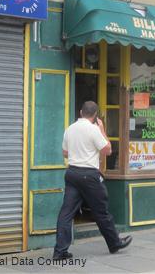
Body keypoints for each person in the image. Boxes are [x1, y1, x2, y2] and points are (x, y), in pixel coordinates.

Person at [53, 101, 132, 260]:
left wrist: (79, 151)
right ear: (95, 115)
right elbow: (108, 150)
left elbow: (65, 153)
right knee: (101, 211)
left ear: (81, 112)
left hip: (72, 173)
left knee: (66, 213)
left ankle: (60, 251)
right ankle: (114, 243)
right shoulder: (94, 129)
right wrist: (102, 130)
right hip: (89, 175)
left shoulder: (70, 129)